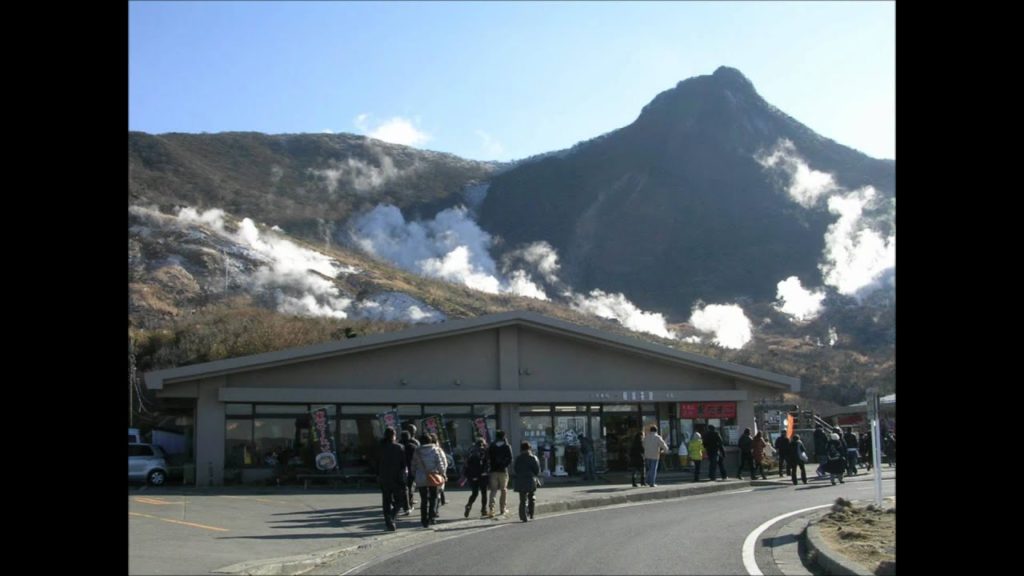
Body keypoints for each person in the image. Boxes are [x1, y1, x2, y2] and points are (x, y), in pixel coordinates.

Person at [410, 433, 447, 527]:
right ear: (430, 440)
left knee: (424, 499)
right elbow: (440, 463)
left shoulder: (417, 451)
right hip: (433, 476)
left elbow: (413, 465)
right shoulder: (435, 449)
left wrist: (414, 474)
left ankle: (424, 520)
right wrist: (443, 473)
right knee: (433, 497)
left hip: (421, 477)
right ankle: (432, 517)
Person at [376, 427, 408, 532]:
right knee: (400, 500)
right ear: (394, 435)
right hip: (396, 477)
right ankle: (392, 516)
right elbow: (404, 464)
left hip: (384, 477)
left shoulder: (380, 447)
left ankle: (388, 522)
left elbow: (376, 462)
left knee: (386, 500)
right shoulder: (399, 447)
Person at [487, 430, 514, 517]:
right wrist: (504, 465)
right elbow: (510, 458)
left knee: (493, 490)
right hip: (503, 471)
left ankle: (491, 509)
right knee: (503, 490)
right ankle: (503, 509)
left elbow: (488, 457)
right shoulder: (507, 446)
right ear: (504, 436)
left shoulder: (492, 446)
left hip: (493, 470)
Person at [513, 440, 541, 522]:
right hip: (530, 480)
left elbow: (516, 469)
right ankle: (531, 514)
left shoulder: (518, 458)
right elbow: (537, 470)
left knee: (522, 499)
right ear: (529, 448)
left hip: (520, 480)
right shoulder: (533, 458)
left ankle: (522, 515)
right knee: (531, 497)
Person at [462, 437, 490, 518]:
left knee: (475, 493)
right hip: (482, 475)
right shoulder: (484, 451)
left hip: (472, 475)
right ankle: (483, 510)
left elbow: (466, 463)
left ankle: (469, 504)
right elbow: (488, 463)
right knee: (484, 493)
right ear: (483, 443)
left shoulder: (470, 451)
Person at [400, 425, 420, 513]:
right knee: (410, 487)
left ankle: (405, 504)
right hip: (411, 468)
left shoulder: (398, 444)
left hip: (401, 469)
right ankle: (409, 504)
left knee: (404, 487)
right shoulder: (414, 444)